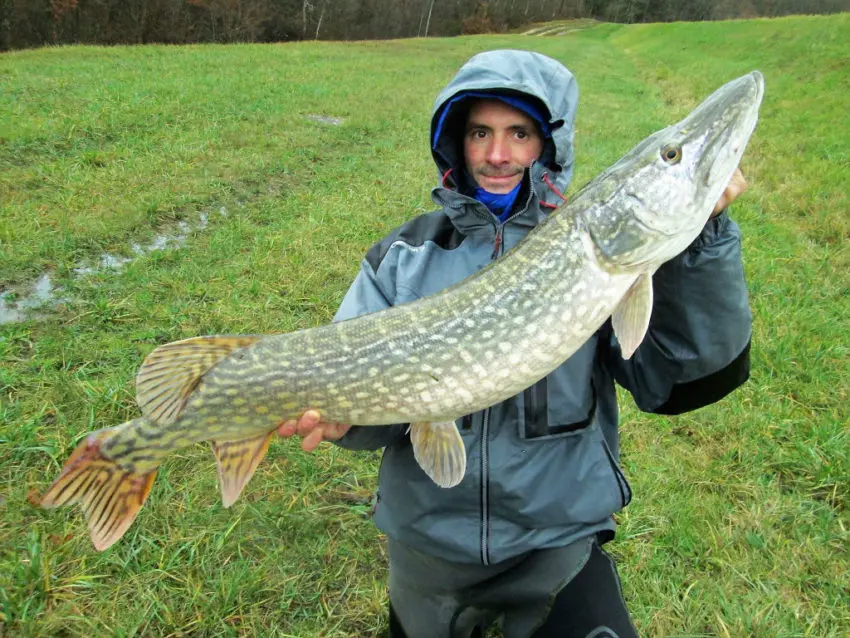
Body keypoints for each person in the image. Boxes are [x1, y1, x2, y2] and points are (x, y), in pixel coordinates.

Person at [277, 50, 752, 638]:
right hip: (429, 549)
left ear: (549, 144)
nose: (497, 155)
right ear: (457, 140)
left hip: (554, 544)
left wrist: (701, 239)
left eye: (519, 133)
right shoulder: (400, 261)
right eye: (481, 132)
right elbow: (374, 408)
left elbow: (681, 382)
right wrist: (342, 421)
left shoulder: (603, 258)